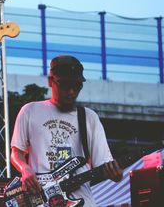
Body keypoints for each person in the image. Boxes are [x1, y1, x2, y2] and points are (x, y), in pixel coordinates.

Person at [10, 55, 123, 206]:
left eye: (76, 86)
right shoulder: (30, 111)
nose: (71, 91)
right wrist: (25, 169)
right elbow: (16, 152)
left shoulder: (89, 118)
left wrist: (115, 174)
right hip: (43, 200)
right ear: (50, 81)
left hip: (82, 201)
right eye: (65, 85)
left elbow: (103, 163)